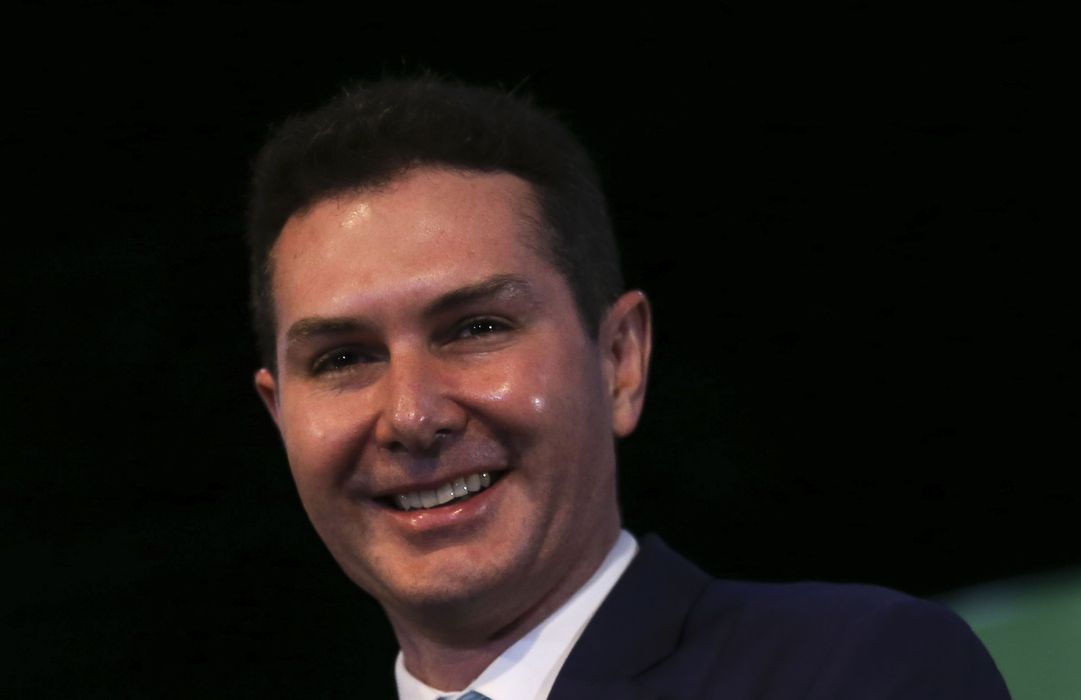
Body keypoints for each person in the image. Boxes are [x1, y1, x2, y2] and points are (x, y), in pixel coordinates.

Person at [245, 75, 1011, 699]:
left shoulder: (854, 672)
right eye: (342, 359)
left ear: (620, 360)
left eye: (476, 328)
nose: (413, 415)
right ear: (281, 417)